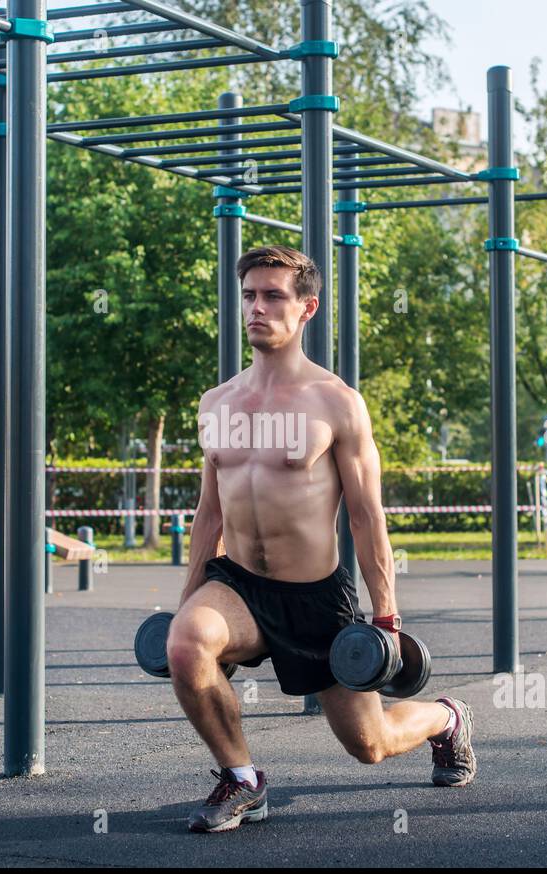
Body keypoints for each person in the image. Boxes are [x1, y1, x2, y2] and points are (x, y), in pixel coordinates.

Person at [170, 245, 477, 834]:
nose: (257, 308)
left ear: (307, 308)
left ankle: (447, 717)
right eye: (249, 295)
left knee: (372, 743)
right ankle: (242, 780)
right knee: (187, 645)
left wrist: (385, 616)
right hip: (238, 585)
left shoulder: (336, 404)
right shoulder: (217, 403)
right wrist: (189, 595)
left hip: (315, 596)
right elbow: (208, 514)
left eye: (273, 296)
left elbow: (366, 515)